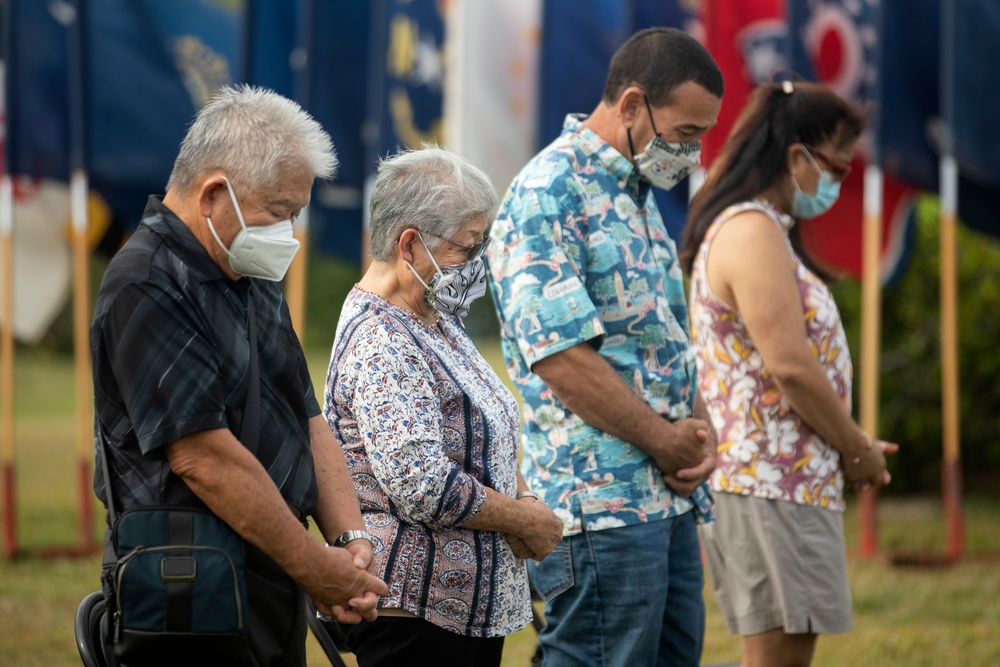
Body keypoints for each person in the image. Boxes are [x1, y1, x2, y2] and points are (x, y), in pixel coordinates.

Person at [90, 84, 388, 667]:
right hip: (190, 584)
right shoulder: (146, 281)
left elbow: (306, 416)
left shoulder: (246, 268)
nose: (289, 232)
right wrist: (313, 565)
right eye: (279, 211)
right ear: (212, 194)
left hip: (269, 573)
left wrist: (351, 545)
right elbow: (204, 457)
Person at [486, 28, 724, 667]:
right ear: (631, 104)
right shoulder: (548, 193)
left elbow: (662, 339)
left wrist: (698, 425)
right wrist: (664, 439)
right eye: (685, 133)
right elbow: (561, 359)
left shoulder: (637, 194)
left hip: (663, 498)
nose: (692, 154)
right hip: (599, 507)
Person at [680, 80, 900, 667]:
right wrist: (855, 448)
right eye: (837, 167)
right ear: (796, 156)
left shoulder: (760, 228)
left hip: (781, 479)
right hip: (769, 481)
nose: (839, 183)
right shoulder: (751, 232)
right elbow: (791, 368)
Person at [323, 147, 564, 667]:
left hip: (460, 616)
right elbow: (422, 484)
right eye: (469, 247)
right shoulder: (381, 338)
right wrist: (521, 520)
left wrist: (522, 501)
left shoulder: (433, 314)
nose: (478, 264)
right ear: (409, 243)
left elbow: (487, 429)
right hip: (416, 619)